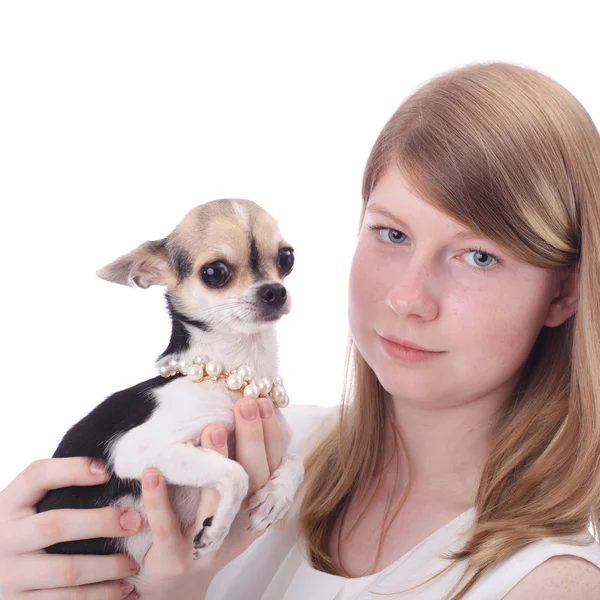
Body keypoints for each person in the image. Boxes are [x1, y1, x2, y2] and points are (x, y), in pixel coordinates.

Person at [2, 60, 600, 599]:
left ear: (563, 291)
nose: (408, 298)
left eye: (478, 256)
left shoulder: (551, 582)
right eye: (392, 234)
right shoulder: (272, 444)